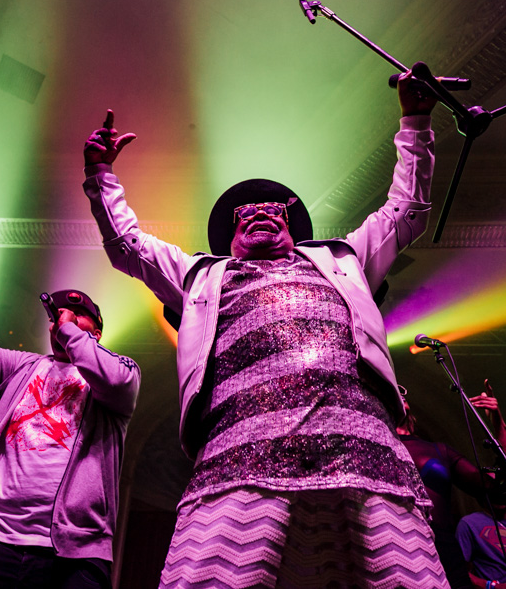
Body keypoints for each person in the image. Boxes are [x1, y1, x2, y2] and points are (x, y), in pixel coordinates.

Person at [83, 72, 448, 587]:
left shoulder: (342, 261)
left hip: (363, 453)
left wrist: (415, 123)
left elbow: (405, 212)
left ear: (291, 226)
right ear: (230, 238)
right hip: (240, 459)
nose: (259, 213)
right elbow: (129, 247)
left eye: (272, 210)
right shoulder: (201, 276)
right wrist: (101, 175)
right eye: (244, 214)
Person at [0, 222, 140, 589]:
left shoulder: (120, 372)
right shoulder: (22, 367)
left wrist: (70, 332)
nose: (61, 321)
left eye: (76, 314)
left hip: (76, 551)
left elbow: (115, 381)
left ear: (97, 330)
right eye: (56, 316)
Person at [397, 381, 506, 588]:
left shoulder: (438, 450)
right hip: (399, 545)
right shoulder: (372, 445)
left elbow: (500, 487)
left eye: (402, 390)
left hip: (443, 546)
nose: (400, 392)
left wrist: (499, 424)